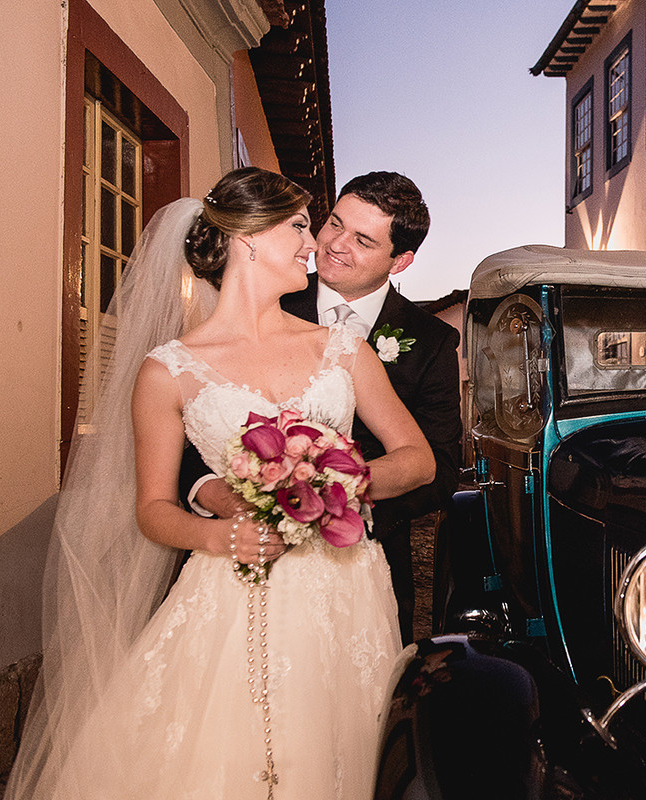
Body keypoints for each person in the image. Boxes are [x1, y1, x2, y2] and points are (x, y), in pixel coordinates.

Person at [6, 167, 434, 799]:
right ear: (248, 239)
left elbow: (418, 460)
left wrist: (334, 482)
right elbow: (152, 507)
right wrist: (218, 537)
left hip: (345, 588)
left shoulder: (344, 349)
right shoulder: (167, 371)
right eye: (298, 227)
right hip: (230, 590)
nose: (313, 244)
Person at [183, 171, 461, 645]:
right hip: (245, 551)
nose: (332, 244)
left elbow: (441, 465)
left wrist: (337, 509)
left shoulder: (432, 341)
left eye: (363, 240)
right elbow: (200, 420)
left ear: (400, 261)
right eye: (334, 223)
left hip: (363, 558)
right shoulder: (267, 293)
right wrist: (228, 501)